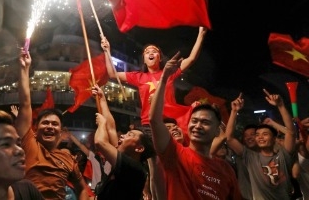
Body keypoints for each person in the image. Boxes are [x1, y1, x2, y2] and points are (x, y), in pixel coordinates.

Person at [149, 52, 242, 200]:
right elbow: (154, 120)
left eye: (205, 122)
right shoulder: (174, 153)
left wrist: (234, 112)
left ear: (216, 130)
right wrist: (164, 77)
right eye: (194, 121)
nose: (197, 126)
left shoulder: (226, 170)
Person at [100, 26, 207, 134]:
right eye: (147, 52)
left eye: (154, 51)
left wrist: (201, 34)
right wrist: (106, 50)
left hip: (169, 122)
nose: (150, 53)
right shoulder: (138, 76)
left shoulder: (168, 73)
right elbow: (112, 74)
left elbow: (191, 59)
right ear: (144, 60)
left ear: (160, 58)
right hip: (148, 123)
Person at [15, 49, 90, 199]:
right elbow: (25, 105)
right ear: (35, 129)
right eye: (45, 123)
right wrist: (24, 69)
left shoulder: (67, 157)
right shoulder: (29, 143)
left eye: (55, 124)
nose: (50, 126)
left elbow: (82, 189)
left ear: (61, 133)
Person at [226, 90, 296, 199]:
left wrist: (281, 105)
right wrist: (234, 111)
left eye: (265, 134)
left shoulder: (283, 155)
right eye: (257, 134)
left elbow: (291, 132)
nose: (260, 137)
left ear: (274, 139)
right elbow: (229, 139)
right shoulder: (251, 157)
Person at [92, 84, 155, 200]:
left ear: (139, 148)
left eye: (130, 135)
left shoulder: (134, 168)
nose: (122, 136)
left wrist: (101, 124)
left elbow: (100, 142)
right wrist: (102, 99)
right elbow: (111, 128)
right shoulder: (125, 160)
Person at [61, 128, 111, 194]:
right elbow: (80, 145)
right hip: (95, 190)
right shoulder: (94, 157)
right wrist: (70, 136)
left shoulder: (111, 159)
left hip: (108, 190)